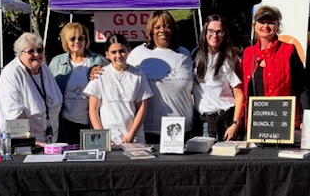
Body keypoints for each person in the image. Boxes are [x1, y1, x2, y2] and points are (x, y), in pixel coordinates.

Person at [127, 10, 194, 144]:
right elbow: (121, 74)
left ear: (173, 30)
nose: (163, 30)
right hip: (151, 129)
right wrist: (95, 70)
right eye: (157, 27)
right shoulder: (138, 54)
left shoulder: (185, 54)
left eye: (167, 26)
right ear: (150, 31)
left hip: (182, 128)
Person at [242, 5, 310, 129]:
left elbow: (303, 87)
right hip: (256, 124)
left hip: (283, 123)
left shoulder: (288, 50)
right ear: (254, 26)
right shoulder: (248, 53)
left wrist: (306, 119)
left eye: (271, 22)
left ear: (278, 26)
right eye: (261, 22)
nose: (266, 26)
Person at [0, 32, 63, 144]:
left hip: (49, 141)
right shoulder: (11, 74)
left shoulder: (44, 69)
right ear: (20, 54)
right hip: (24, 144)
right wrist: (33, 143)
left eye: (39, 50)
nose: (36, 54)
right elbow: (14, 116)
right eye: (31, 51)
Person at [83, 34, 153, 145]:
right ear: (107, 54)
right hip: (109, 139)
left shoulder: (138, 74)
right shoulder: (100, 75)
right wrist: (102, 136)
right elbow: (93, 109)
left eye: (122, 51)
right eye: (113, 52)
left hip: (133, 139)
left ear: (128, 51)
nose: (118, 55)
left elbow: (142, 107)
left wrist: (132, 134)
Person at [49, 22, 109, 144]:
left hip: (92, 123)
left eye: (81, 38)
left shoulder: (99, 61)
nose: (77, 41)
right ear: (66, 41)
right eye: (72, 38)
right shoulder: (56, 63)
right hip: (65, 124)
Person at [192, 14, 244, 141]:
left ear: (224, 34)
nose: (214, 35)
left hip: (226, 121)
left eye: (219, 32)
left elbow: (239, 95)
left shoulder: (230, 58)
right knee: (203, 160)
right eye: (211, 31)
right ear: (205, 32)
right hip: (203, 122)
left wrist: (235, 124)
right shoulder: (194, 56)